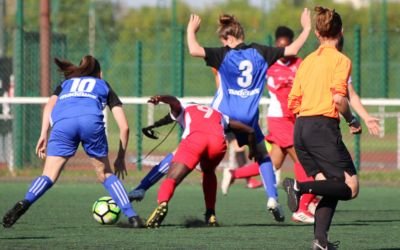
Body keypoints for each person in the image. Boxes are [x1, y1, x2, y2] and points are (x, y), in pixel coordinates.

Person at [187, 10, 311, 222]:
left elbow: (193, 50)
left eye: (223, 41)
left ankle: (155, 190)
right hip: (248, 119)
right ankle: (272, 198)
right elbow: (294, 49)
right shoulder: (261, 51)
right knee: (263, 156)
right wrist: (307, 27)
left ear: (229, 38)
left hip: (223, 116)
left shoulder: (223, 54)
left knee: (191, 154)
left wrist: (191, 30)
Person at [2, 55, 144, 228]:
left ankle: (25, 202)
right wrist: (120, 157)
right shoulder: (103, 85)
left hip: (63, 124)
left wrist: (43, 134)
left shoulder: (65, 85)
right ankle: (132, 216)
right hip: (90, 122)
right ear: (100, 73)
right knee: (106, 174)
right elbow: (125, 127)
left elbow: (49, 106)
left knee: (48, 176)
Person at [221, 26, 317, 224]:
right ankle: (303, 207)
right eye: (279, 44)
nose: (282, 47)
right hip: (279, 119)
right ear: (276, 45)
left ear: (291, 45)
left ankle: (233, 173)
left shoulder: (299, 63)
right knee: (304, 161)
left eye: (286, 44)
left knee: (273, 163)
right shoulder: (269, 64)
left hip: (294, 118)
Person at [283, 6, 361, 249]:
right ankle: (299, 187)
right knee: (350, 187)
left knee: (331, 185)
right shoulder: (341, 60)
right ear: (341, 31)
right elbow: (339, 100)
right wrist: (352, 120)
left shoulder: (305, 62)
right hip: (322, 128)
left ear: (317, 33)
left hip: (301, 128)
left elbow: (292, 102)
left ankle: (321, 241)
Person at [144, 95, 259, 228]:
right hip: (217, 143)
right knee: (208, 172)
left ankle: (163, 202)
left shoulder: (183, 107)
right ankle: (210, 214)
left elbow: (174, 102)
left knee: (172, 177)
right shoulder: (217, 113)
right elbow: (250, 130)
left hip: (196, 140)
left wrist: (161, 98)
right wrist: (253, 150)